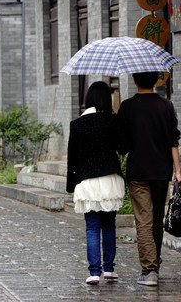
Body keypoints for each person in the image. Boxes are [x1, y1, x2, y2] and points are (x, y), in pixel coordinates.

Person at [117, 71, 181, 286]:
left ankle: (149, 271)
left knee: (143, 221)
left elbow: (123, 146)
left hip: (138, 172)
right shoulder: (167, 106)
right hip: (161, 172)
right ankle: (155, 266)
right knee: (156, 220)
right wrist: (178, 172)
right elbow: (174, 140)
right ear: (156, 80)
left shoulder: (127, 107)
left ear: (135, 80)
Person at [66, 81, 126, 285]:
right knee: (109, 225)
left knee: (92, 226)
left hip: (86, 181)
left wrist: (70, 185)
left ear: (88, 99)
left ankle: (94, 272)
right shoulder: (112, 120)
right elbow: (123, 148)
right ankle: (109, 269)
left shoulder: (77, 124)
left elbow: (71, 158)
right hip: (110, 179)